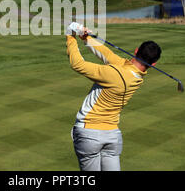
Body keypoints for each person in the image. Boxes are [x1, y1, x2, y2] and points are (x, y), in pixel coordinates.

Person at [66, 22, 161, 171]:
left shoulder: (115, 74)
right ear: (153, 64)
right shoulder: (135, 76)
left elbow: (77, 64)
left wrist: (70, 36)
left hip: (89, 132)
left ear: (136, 51)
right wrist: (86, 39)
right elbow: (108, 55)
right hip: (112, 136)